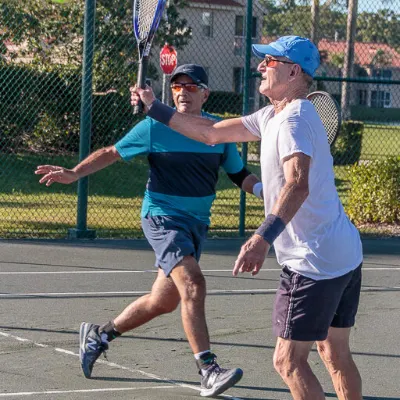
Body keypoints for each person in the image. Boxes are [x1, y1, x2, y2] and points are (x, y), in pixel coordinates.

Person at [132, 37, 364, 400]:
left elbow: (297, 185)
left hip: (312, 260)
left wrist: (261, 238)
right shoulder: (272, 114)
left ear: (293, 71)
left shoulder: (294, 120)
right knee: (335, 353)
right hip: (344, 253)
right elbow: (209, 133)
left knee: (288, 362)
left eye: (269, 60)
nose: (260, 66)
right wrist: (154, 108)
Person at [35, 64, 263, 397]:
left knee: (163, 300)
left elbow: (238, 173)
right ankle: (208, 370)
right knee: (193, 283)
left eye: (190, 86)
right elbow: (112, 152)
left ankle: (99, 334)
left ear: (205, 93)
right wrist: (74, 172)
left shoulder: (217, 130)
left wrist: (265, 193)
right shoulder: (155, 127)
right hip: (162, 218)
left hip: (195, 223)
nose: (182, 92)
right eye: (177, 87)